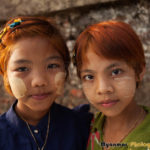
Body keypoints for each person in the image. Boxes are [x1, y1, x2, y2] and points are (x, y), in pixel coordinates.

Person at [0, 16, 92, 150]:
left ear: (65, 69)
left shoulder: (83, 127)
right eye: (22, 68)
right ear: (5, 74)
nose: (39, 81)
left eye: (52, 66)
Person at [73, 20, 150, 150]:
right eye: (89, 77)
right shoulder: (86, 128)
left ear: (139, 71)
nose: (103, 89)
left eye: (116, 72)